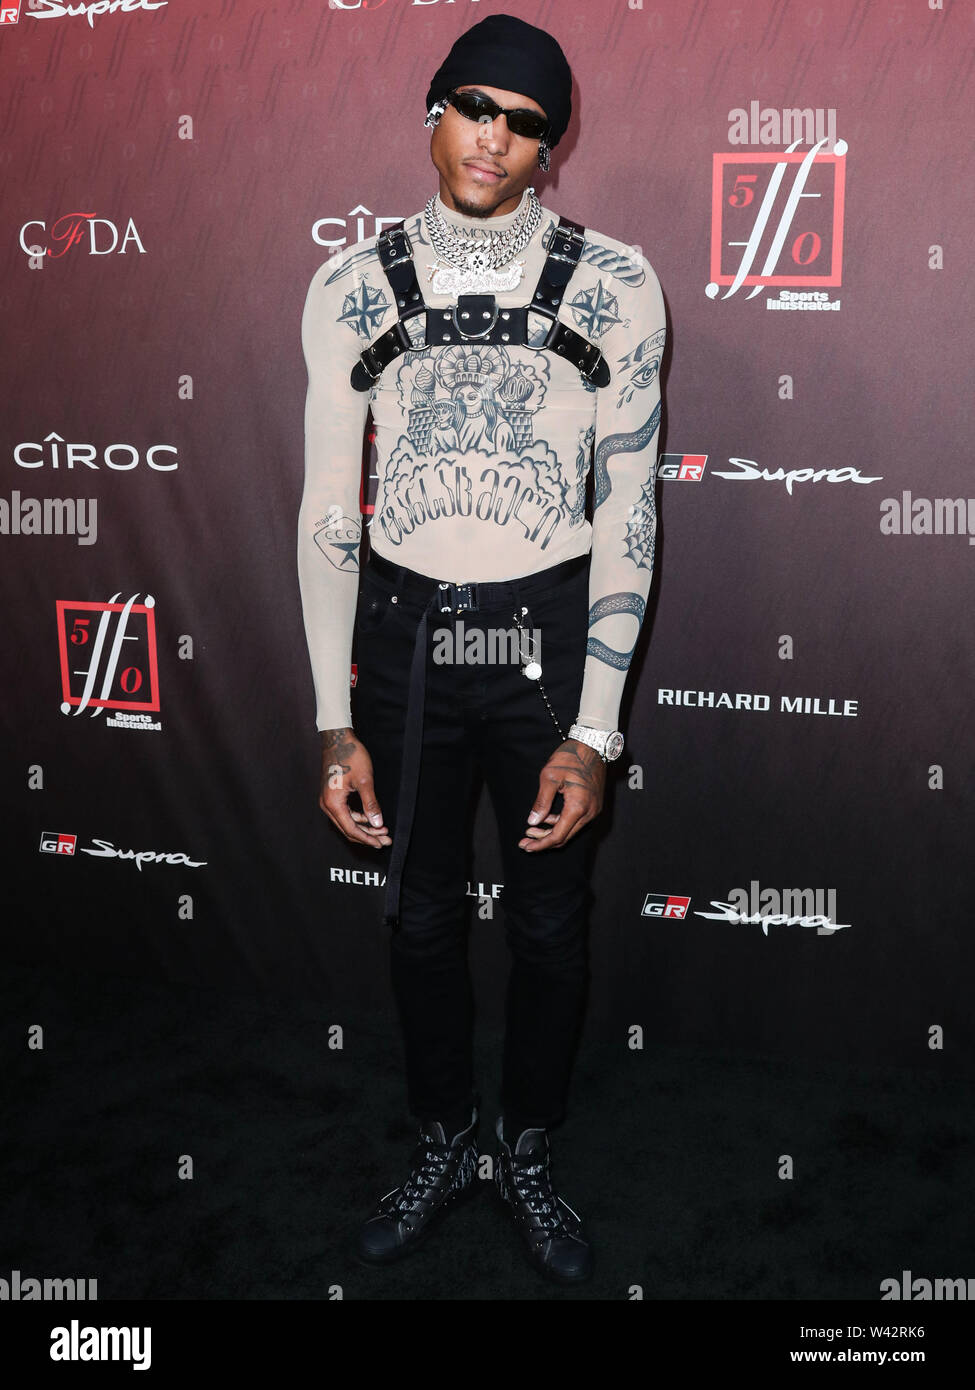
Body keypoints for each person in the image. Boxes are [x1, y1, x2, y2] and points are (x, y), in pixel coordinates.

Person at [297, 12, 666, 1286]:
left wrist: (596, 727)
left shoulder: (617, 284)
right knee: (416, 921)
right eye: (474, 106)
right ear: (433, 110)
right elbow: (321, 511)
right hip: (403, 634)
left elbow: (630, 509)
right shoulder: (349, 286)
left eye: (527, 124)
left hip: (546, 636)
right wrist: (333, 717)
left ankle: (529, 1146)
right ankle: (448, 1138)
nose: (495, 140)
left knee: (553, 926)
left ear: (551, 149)